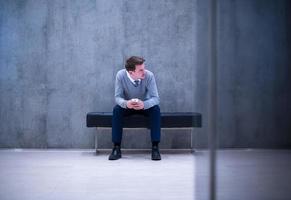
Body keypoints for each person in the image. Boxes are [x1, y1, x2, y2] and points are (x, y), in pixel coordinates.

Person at [109, 56, 161, 161]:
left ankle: (155, 147)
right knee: (116, 110)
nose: (144, 72)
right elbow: (117, 97)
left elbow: (156, 98)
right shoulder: (121, 75)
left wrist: (144, 104)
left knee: (156, 109)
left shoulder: (149, 76)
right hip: (128, 105)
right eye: (141, 70)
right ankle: (116, 147)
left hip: (144, 105)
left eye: (144, 68)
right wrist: (126, 103)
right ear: (131, 72)